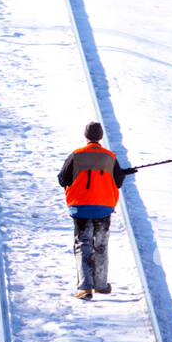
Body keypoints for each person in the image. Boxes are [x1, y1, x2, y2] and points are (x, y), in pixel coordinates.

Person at [57, 122, 135, 300]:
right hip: (103, 208)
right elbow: (117, 182)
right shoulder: (110, 157)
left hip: (81, 207)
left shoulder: (76, 155)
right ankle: (101, 285)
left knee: (83, 244)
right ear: (100, 137)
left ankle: (85, 288)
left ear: (86, 136)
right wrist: (122, 173)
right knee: (100, 244)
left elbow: (63, 179)